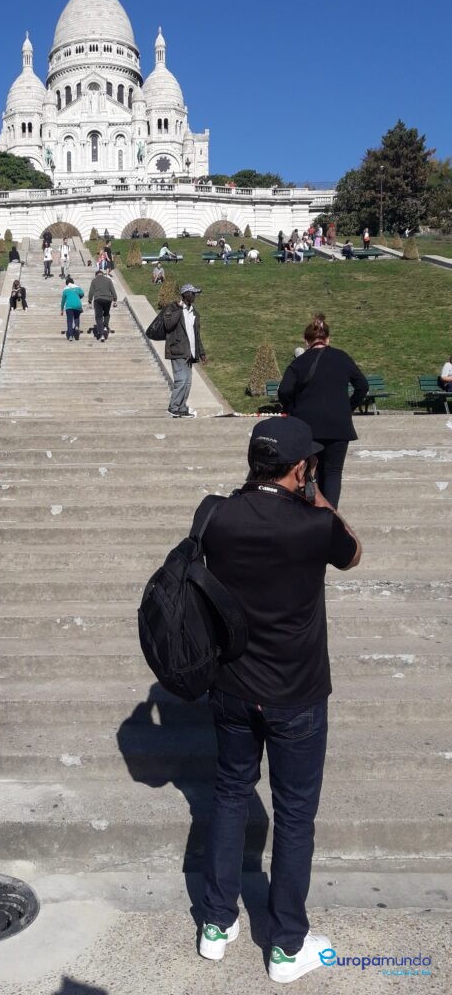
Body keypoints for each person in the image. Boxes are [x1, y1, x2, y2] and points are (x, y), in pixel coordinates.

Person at [197, 416, 362, 982]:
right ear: (300, 468)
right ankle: (286, 946)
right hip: (296, 694)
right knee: (294, 815)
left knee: (228, 795)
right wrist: (318, 499)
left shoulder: (214, 514)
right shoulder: (313, 526)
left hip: (231, 688)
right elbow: (353, 552)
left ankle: (217, 925)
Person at [278, 316, 368, 508]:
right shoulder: (342, 357)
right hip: (338, 425)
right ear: (328, 339)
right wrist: (348, 408)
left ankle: (312, 511)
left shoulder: (299, 362)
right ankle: (330, 514)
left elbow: (284, 391)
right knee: (334, 472)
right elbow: (363, 386)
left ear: (306, 341)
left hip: (308, 426)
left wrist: (293, 411)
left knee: (311, 471)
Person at [162, 283, 206, 418]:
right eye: (193, 294)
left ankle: (181, 407)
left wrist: (202, 352)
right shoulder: (173, 308)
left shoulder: (194, 313)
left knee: (187, 382)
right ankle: (173, 406)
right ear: (186, 294)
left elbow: (196, 335)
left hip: (190, 353)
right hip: (178, 350)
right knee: (181, 380)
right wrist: (180, 310)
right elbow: (168, 325)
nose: (195, 296)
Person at [87, 269, 118, 342]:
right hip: (108, 299)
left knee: (98, 316)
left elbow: (91, 291)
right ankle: (105, 326)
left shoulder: (94, 280)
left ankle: (101, 334)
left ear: (96, 275)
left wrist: (89, 300)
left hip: (98, 299)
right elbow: (113, 290)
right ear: (103, 274)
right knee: (106, 313)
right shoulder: (108, 280)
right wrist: (115, 299)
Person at [60, 275, 84, 341]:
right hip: (77, 305)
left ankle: (70, 336)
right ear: (73, 282)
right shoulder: (77, 288)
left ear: (66, 283)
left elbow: (63, 301)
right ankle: (76, 326)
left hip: (69, 306)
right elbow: (82, 294)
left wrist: (62, 310)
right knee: (76, 317)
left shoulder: (65, 290)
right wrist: (78, 297)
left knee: (69, 321)